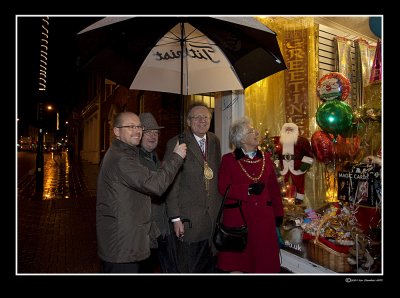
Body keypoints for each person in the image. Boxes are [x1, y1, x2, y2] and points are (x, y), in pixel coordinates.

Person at [96, 111, 187, 273]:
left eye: (139, 126)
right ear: (117, 131)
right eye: (130, 127)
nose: (137, 130)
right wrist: (177, 157)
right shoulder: (122, 159)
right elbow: (156, 185)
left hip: (127, 240)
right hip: (123, 245)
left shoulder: (125, 154)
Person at [217, 116, 284, 273]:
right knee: (239, 264)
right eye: (251, 131)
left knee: (264, 263)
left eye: (254, 129)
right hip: (240, 220)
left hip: (264, 220)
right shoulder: (228, 160)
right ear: (241, 138)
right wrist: (246, 189)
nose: (256, 133)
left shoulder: (266, 158)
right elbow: (223, 188)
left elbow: (274, 189)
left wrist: (279, 213)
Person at [163, 102, 222, 273]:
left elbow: (216, 172)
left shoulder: (214, 140)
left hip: (212, 220)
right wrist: (175, 218)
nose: (202, 121)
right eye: (197, 117)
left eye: (206, 117)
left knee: (210, 266)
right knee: (190, 267)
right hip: (189, 221)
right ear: (188, 122)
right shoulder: (176, 142)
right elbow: (171, 184)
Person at [137, 112, 179, 273]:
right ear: (139, 134)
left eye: (156, 133)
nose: (153, 136)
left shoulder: (153, 156)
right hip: (147, 230)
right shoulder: (136, 159)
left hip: (162, 226)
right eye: (148, 132)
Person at [273, 123, 314, 205]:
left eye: (291, 130)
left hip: (297, 167)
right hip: (283, 168)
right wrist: (276, 165)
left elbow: (309, 154)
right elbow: (275, 154)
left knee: (299, 186)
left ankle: (298, 203)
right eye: (286, 130)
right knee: (282, 186)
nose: (288, 131)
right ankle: (283, 202)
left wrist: (304, 166)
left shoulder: (302, 141)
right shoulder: (278, 141)